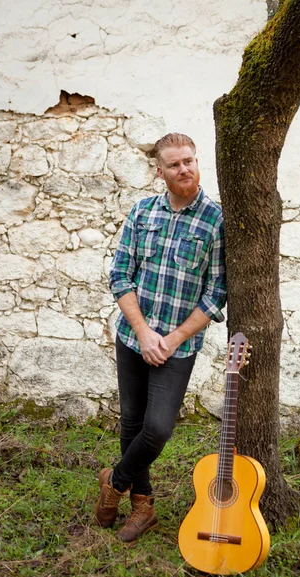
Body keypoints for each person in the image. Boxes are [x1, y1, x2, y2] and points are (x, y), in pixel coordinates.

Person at [94, 132, 226, 544]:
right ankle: (143, 506)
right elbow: (120, 275)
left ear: (197, 161)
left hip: (179, 346)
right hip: (134, 338)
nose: (184, 168)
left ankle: (113, 481)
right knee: (132, 423)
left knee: (158, 427)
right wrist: (144, 332)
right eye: (174, 164)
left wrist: (170, 339)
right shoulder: (142, 212)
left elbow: (217, 290)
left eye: (189, 160)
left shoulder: (216, 219)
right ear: (160, 171)